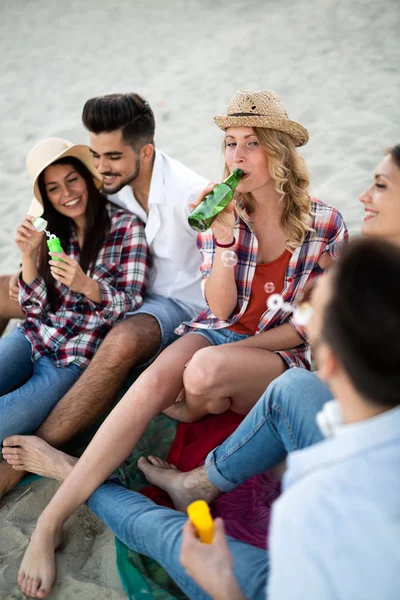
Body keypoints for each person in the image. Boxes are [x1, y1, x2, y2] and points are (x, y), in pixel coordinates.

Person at [5, 88, 347, 598]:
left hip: (279, 349)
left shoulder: (325, 223)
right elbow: (224, 311)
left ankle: (200, 397)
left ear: (278, 151)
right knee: (152, 383)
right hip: (221, 327)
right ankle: (53, 518)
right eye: (229, 143)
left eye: (250, 143)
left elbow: (308, 324)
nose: (236, 156)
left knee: (204, 371)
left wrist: (224, 356)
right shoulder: (217, 209)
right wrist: (228, 241)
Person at [13, 237, 400, 599]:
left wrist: (223, 587)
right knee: (294, 386)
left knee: (172, 537)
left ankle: (71, 472)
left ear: (329, 362)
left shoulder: (311, 507)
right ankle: (198, 483)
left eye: (314, 321)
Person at [0, 93, 207, 499]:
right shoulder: (107, 182)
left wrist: (85, 285)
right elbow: (53, 191)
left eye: (111, 156)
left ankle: (33, 450)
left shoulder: (188, 195)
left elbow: (238, 247)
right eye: (95, 155)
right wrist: (29, 257)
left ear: (144, 152)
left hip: (173, 303)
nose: (101, 167)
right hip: (57, 321)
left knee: (122, 340)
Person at [0, 137, 148, 450]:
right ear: (46, 197)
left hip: (74, 356)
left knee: (5, 421)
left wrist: (87, 286)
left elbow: (131, 303)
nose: (66, 194)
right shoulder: (52, 231)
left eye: (72, 181)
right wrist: (29, 256)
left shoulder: (126, 228)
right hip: (33, 335)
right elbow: (33, 307)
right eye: (54, 188)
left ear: (87, 179)